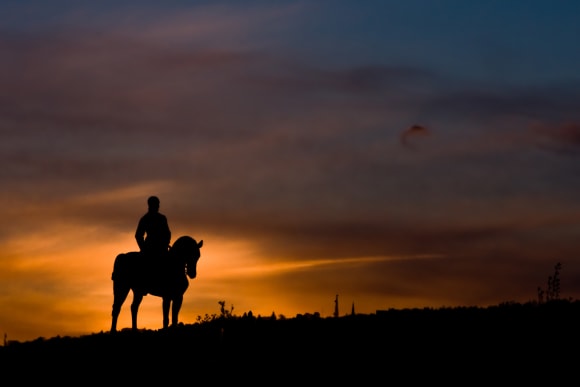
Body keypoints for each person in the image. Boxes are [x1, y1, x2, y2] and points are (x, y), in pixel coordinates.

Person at [135, 196, 171, 275]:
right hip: (149, 249)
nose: (158, 206)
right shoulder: (145, 219)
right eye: (156, 204)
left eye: (158, 204)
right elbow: (138, 235)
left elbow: (167, 233)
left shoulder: (162, 218)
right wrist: (144, 249)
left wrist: (166, 243)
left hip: (162, 248)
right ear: (150, 205)